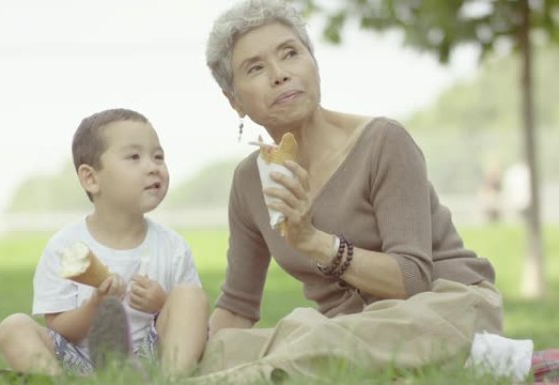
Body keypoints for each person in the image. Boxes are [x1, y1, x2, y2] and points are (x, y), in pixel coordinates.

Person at [190, 1, 510, 383]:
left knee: (312, 339)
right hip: (344, 331)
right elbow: (237, 309)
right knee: (239, 347)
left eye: (290, 53)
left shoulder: (383, 142)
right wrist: (191, 349)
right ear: (235, 101)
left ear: (314, 63)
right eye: (255, 68)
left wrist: (313, 241)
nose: (280, 74)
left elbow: (412, 279)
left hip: (442, 309)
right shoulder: (248, 183)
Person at [0, 108, 209, 379]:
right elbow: (59, 329)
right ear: (91, 178)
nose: (153, 166)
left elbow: (191, 322)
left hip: (149, 360)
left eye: (158, 156)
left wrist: (162, 304)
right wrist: (95, 306)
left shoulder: (173, 248)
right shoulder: (65, 247)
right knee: (13, 327)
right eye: (134, 156)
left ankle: (170, 380)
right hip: (79, 364)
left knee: (190, 295)